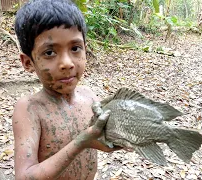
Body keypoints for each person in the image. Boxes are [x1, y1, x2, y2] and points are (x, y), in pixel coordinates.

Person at [12, 0, 121, 179]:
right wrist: (81, 143)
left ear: (86, 49)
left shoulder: (90, 97)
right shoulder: (30, 109)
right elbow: (24, 176)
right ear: (28, 62)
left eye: (75, 48)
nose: (67, 63)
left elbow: (105, 136)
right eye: (49, 52)